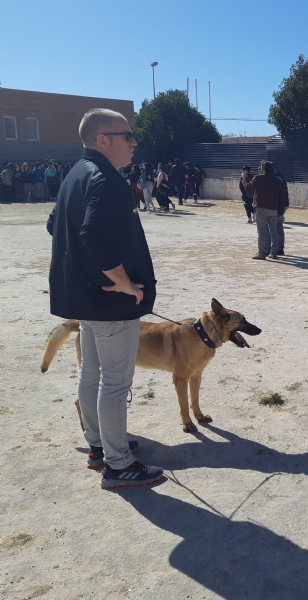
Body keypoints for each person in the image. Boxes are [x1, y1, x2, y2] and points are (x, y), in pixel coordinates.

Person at [46, 108, 162, 488]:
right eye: (128, 136)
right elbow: (93, 235)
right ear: (103, 140)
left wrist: (88, 271)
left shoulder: (75, 174)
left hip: (86, 299)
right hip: (110, 303)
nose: (134, 143)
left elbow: (55, 225)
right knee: (114, 381)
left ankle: (98, 445)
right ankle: (118, 464)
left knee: (92, 373)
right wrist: (123, 282)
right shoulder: (105, 179)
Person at [246, 159, 287, 260]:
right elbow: (282, 197)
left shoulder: (258, 178)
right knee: (274, 231)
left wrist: (244, 179)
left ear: (263, 169)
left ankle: (261, 253)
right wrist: (280, 211)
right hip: (274, 209)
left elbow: (248, 188)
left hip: (261, 208)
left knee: (262, 232)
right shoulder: (278, 180)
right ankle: (274, 252)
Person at [272, 163, 289, 255]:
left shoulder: (277, 178)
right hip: (282, 204)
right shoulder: (279, 176)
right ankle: (279, 248)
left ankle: (278, 248)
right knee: (278, 227)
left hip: (280, 205)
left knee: (276, 227)